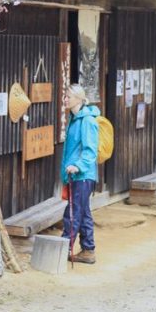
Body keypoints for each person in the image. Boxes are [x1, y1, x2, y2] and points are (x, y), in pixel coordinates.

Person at [61, 84, 100, 264]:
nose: (65, 99)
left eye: (68, 96)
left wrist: (78, 166)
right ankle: (88, 250)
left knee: (73, 213)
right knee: (83, 212)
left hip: (82, 175)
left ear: (78, 98)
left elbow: (90, 150)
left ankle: (62, 250)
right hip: (77, 175)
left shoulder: (87, 121)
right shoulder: (74, 118)